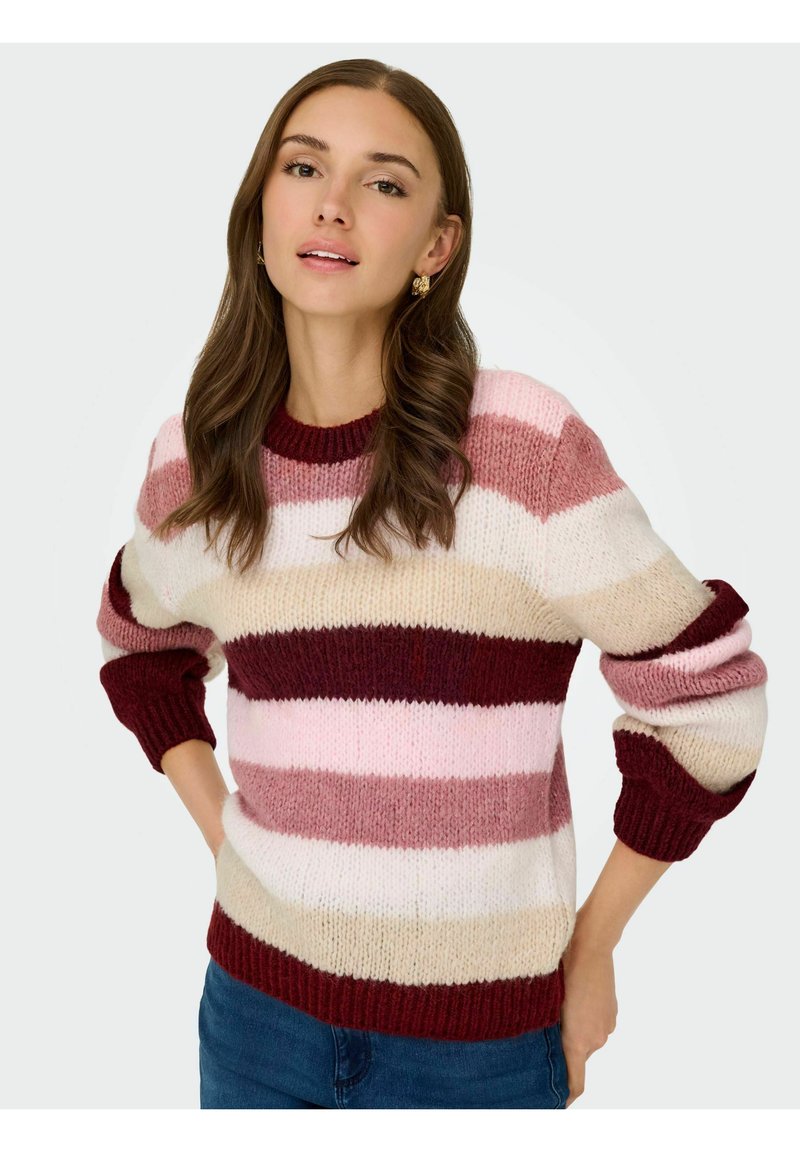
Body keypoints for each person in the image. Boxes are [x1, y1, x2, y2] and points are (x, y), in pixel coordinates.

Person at [96, 58, 769, 1110]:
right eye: (303, 167)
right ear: (260, 208)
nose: (332, 202)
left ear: (435, 246)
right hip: (253, 1025)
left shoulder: (518, 448)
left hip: (477, 1050)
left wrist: (592, 946)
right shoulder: (196, 460)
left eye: (383, 182)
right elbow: (140, 650)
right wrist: (227, 834)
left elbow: (710, 700)